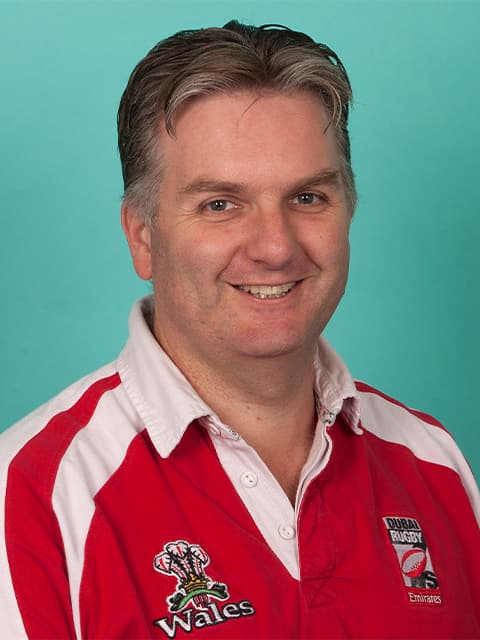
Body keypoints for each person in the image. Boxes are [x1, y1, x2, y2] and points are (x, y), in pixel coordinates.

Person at [0, 20, 479, 640]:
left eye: (308, 197)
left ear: (349, 210)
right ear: (142, 236)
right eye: (220, 204)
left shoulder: (434, 463)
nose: (275, 247)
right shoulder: (33, 494)